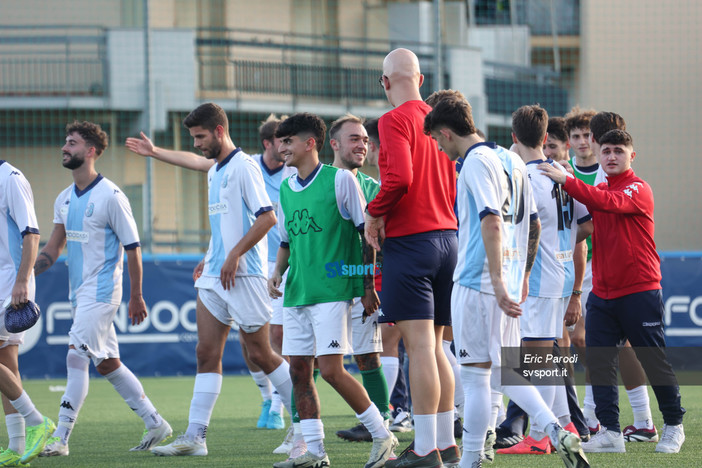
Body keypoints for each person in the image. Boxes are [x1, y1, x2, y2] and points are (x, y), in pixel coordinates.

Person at [423, 94, 589, 468]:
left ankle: (469, 461)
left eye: (436, 139)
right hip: (512, 282)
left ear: (446, 132)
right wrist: (522, 275)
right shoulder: (512, 159)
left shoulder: (475, 163)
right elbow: (532, 222)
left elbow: (492, 220)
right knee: (506, 371)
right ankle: (555, 428)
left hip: (478, 283)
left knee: (477, 374)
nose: (438, 146)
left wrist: (498, 282)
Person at [126, 104, 293, 457]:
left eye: (201, 136)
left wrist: (233, 254)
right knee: (205, 352)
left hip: (245, 274)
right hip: (214, 276)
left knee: (261, 353)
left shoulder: (245, 167)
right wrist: (212, 254)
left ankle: (306, 426)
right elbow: (224, 225)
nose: (198, 143)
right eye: (194, 138)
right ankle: (195, 437)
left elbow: (267, 220)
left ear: (219, 131)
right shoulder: (215, 171)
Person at [539, 129, 685, 454]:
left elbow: (607, 202)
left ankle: (674, 425)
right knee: (601, 361)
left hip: (639, 289)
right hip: (603, 293)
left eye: (618, 150)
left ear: (632, 156)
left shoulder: (638, 188)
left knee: (653, 359)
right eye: (606, 151)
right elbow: (586, 224)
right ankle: (610, 432)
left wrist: (566, 179)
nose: (611, 156)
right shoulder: (600, 189)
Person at [34, 121, 172, 457]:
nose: (65, 148)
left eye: (72, 143)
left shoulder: (111, 196)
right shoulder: (64, 199)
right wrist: (24, 275)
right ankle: (155, 422)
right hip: (79, 295)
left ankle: (61, 438)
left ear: (91, 151)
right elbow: (52, 250)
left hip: (102, 292)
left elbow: (133, 248)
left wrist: (136, 295)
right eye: (65, 142)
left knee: (75, 355)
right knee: (107, 363)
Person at [268, 112, 395, 468]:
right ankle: (315, 452)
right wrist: (277, 272)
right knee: (298, 372)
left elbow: (366, 232)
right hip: (297, 293)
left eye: (288, 141)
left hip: (333, 291)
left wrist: (367, 286)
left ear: (311, 143)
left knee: (334, 370)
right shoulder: (285, 188)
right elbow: (285, 241)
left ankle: (384, 435)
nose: (282, 148)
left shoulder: (340, 181)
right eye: (280, 141)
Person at [365, 48, 459, 467]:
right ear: (421, 80)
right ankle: (443, 442)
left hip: (413, 242)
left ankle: (424, 450)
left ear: (385, 82)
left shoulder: (393, 120)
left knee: (419, 347)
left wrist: (374, 211)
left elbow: (400, 178)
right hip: (449, 240)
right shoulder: (441, 123)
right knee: (436, 346)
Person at [495, 105, 592, 456]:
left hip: (536, 277)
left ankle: (539, 435)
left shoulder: (525, 178)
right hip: (562, 273)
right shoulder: (562, 173)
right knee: (542, 356)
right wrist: (562, 240)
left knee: (530, 359)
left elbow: (523, 228)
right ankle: (562, 422)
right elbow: (589, 222)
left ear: (514, 137)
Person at [325, 115, 392, 444]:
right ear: (333, 144)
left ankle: (381, 423)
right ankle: (300, 430)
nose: (362, 145)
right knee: (305, 359)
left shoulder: (374, 189)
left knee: (369, 356)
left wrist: (372, 284)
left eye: (365, 139)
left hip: (363, 283)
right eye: (354, 139)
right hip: (324, 285)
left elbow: (382, 238)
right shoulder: (316, 181)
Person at [0, 160, 55, 466]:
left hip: (11, 285)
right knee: (6, 362)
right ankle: (17, 445)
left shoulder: (10, 178)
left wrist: (22, 280)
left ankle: (36, 421)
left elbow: (32, 234)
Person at [364, 118, 413, 435]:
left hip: (511, 277)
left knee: (482, 355)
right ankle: (567, 421)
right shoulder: (511, 165)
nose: (365, 150)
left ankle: (553, 424)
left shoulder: (394, 183)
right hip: (527, 277)